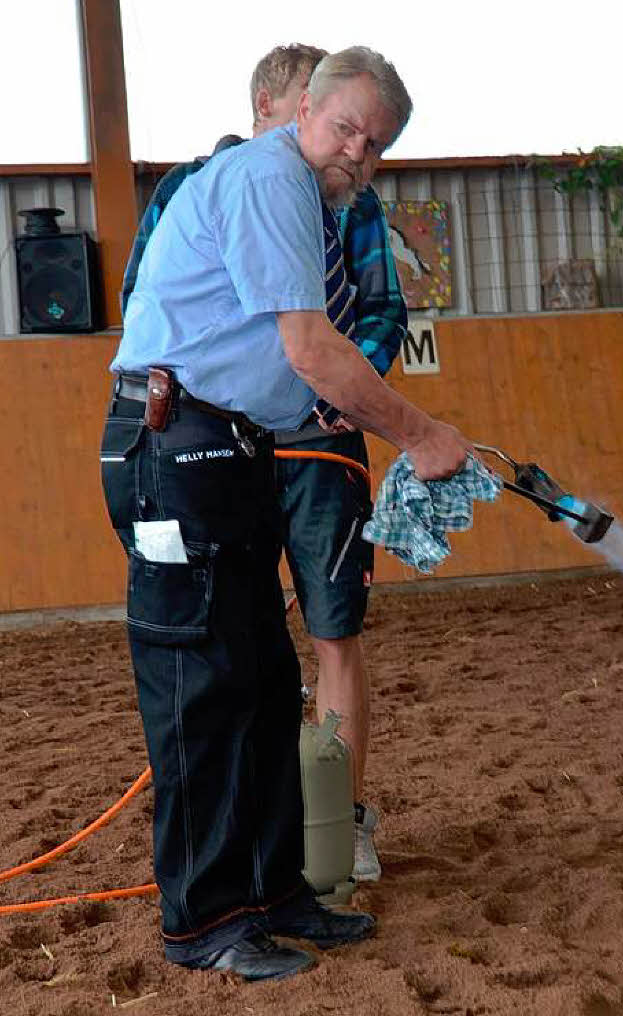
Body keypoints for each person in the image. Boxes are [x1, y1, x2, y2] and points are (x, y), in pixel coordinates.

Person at [101, 46, 470, 983]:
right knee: (204, 694)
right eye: (347, 126)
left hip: (234, 450)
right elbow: (309, 345)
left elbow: (303, 354)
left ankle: (275, 895)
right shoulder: (269, 177)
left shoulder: (302, 194)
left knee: (263, 684)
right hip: (177, 449)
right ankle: (205, 922)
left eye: (376, 144)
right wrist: (420, 433)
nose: (359, 151)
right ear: (302, 107)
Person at [121, 43, 407, 884]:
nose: (346, 152)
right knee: (219, 660)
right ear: (277, 113)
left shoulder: (349, 204)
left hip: (317, 436)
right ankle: (226, 880)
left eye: (369, 140)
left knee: (318, 639)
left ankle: (324, 834)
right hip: (211, 441)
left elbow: (377, 312)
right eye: (324, 125)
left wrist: (342, 398)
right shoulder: (217, 185)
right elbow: (156, 313)